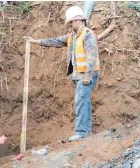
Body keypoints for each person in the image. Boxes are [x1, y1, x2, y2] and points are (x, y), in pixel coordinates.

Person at [24, 6, 100, 142]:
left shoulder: (88, 34)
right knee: (85, 101)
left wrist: (88, 75)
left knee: (80, 101)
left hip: (87, 75)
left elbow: (91, 56)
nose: (70, 25)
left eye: (71, 22)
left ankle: (81, 132)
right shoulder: (71, 36)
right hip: (77, 75)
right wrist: (36, 41)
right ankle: (86, 130)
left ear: (78, 20)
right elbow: (55, 41)